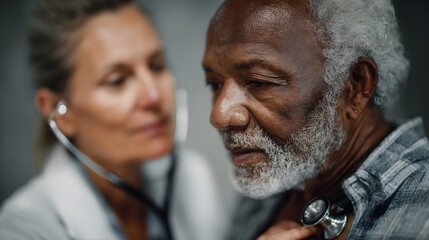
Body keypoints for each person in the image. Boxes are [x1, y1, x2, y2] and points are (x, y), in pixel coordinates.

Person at [202, 0, 429, 239]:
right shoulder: (272, 181)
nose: (219, 115)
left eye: (259, 82)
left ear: (355, 86)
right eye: (214, 83)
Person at [0, 1, 225, 240]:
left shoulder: (194, 178)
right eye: (117, 81)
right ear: (60, 111)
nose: (154, 96)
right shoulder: (25, 227)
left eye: (156, 66)